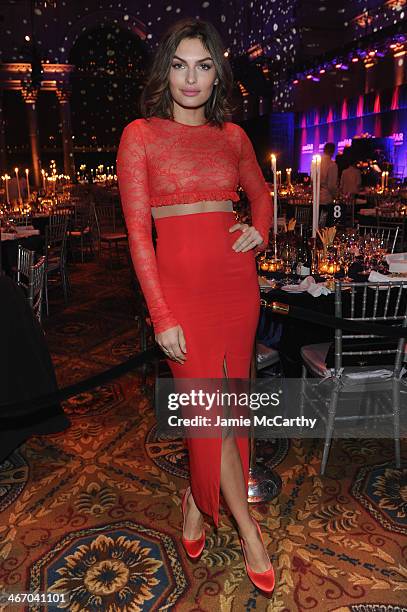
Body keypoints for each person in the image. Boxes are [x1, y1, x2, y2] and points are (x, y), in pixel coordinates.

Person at [116, 18, 275, 594]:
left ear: (217, 75)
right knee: (209, 417)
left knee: (228, 414)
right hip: (180, 297)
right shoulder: (140, 135)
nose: (191, 77)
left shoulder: (232, 137)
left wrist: (259, 230)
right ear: (166, 70)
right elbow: (139, 237)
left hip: (237, 289)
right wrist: (161, 315)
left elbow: (262, 195)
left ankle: (195, 500)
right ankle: (249, 530)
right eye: (180, 64)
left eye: (203, 66)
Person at [320, 142, 338, 227]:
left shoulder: (316, 163)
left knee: (316, 224)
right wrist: (336, 195)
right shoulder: (332, 165)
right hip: (326, 199)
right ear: (333, 151)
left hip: (316, 198)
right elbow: (331, 185)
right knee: (326, 226)